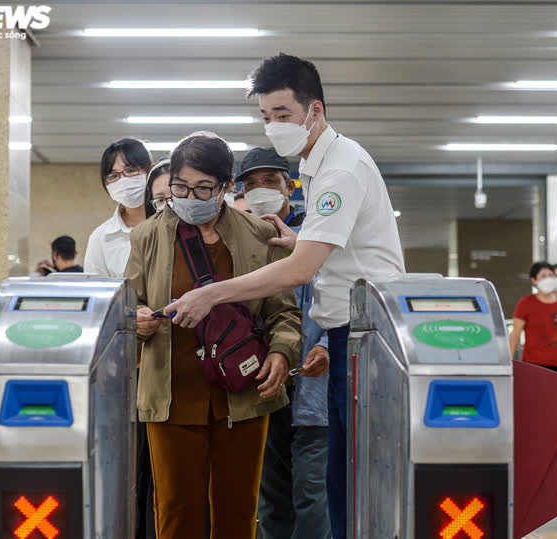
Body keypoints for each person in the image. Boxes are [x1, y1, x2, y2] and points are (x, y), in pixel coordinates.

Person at [163, 53, 405, 539]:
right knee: (341, 478)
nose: (274, 127)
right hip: (342, 336)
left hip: (368, 339)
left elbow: (298, 273)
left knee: (350, 485)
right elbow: (341, 253)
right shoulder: (318, 166)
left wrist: (210, 296)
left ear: (314, 110)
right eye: (266, 117)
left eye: (283, 115)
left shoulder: (340, 170)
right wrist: (302, 240)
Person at [125, 134, 302, 539]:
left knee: (238, 510)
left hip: (243, 391)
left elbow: (284, 311)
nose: (190, 196)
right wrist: (136, 320)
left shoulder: (257, 235)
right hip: (171, 395)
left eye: (203, 188)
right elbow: (128, 306)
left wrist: (281, 352)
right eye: (181, 187)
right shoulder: (147, 237)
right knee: (175, 511)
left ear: (226, 186)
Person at [237, 147, 331, 539]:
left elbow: (340, 294)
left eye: (270, 181)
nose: (261, 190)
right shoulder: (238, 240)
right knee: (270, 497)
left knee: (311, 494)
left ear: (289, 186)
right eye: (252, 184)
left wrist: (324, 342)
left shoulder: (318, 234)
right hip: (261, 387)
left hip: (312, 388)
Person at [84, 138, 152, 277]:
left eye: (131, 170)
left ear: (149, 170)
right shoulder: (101, 238)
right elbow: (98, 292)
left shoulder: (173, 225)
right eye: (113, 175)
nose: (123, 180)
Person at [509, 262, 557, 378]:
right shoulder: (525, 303)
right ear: (534, 280)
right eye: (543, 276)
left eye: (551, 275)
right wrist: (509, 361)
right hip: (533, 364)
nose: (548, 279)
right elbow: (515, 335)